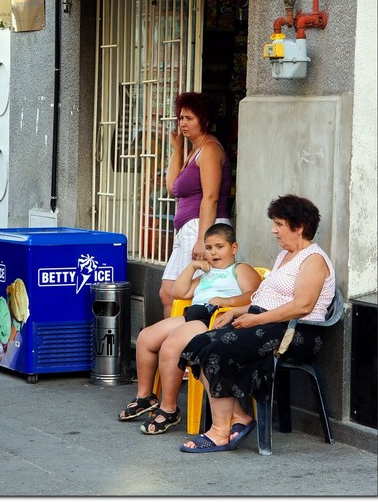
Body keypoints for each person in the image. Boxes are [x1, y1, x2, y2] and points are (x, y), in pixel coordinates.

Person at [175, 194, 336, 453]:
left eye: (279, 224)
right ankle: (239, 416)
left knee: (218, 347)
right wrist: (236, 311)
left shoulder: (314, 260)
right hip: (270, 324)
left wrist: (256, 319)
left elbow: (302, 306)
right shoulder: (285, 256)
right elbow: (266, 298)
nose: (274, 230)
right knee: (200, 343)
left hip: (296, 332)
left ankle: (220, 432)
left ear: (300, 227)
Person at [118, 223, 262, 435]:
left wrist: (227, 301)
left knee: (171, 346)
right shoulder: (206, 274)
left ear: (234, 248)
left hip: (214, 318)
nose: (213, 252)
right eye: (209, 248)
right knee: (146, 337)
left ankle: (169, 409)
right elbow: (179, 292)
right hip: (193, 315)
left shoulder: (239, 269)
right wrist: (193, 267)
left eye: (219, 247)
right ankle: (145, 396)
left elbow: (255, 295)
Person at [159, 92, 232, 318]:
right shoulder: (194, 151)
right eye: (181, 118)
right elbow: (172, 188)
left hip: (202, 227)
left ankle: (184, 337)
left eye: (189, 118)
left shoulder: (209, 149)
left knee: (187, 294)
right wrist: (177, 150)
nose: (183, 123)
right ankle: (171, 335)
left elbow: (211, 197)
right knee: (167, 292)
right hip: (187, 230)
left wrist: (203, 239)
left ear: (205, 120)